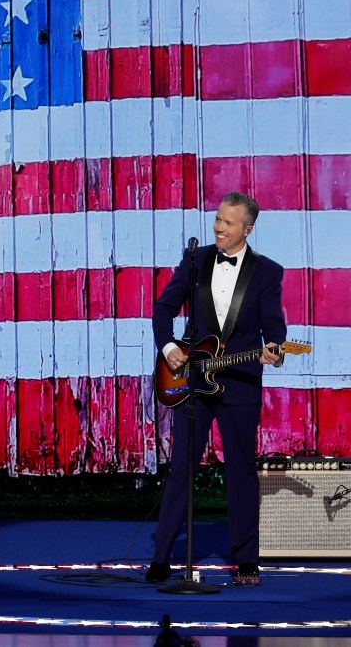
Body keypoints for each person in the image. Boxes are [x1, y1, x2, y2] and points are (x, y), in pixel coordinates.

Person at [146, 191, 287, 586]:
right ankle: (161, 558)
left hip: (240, 382)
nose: (218, 227)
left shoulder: (268, 271)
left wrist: (275, 347)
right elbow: (164, 308)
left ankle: (246, 561)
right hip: (192, 381)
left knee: (242, 472)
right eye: (218, 220)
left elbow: (273, 324)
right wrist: (170, 346)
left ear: (248, 228)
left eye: (227, 222)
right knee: (181, 470)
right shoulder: (196, 259)